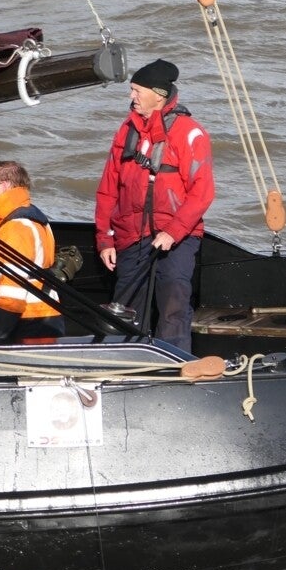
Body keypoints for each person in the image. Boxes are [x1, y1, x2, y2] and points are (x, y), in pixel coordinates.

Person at [94, 59, 215, 353]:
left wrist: (173, 232)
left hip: (177, 237)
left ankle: (174, 363)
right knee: (125, 309)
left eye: (137, 90)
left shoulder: (190, 133)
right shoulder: (126, 130)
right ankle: (125, 364)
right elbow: (108, 188)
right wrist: (104, 238)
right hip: (130, 235)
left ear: (158, 96)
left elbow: (202, 192)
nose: (131, 96)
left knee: (174, 298)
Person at [0, 160, 65, 344]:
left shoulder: (15, 228)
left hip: (25, 327)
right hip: (42, 321)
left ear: (3, 186)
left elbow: (13, 293)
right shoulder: (36, 219)